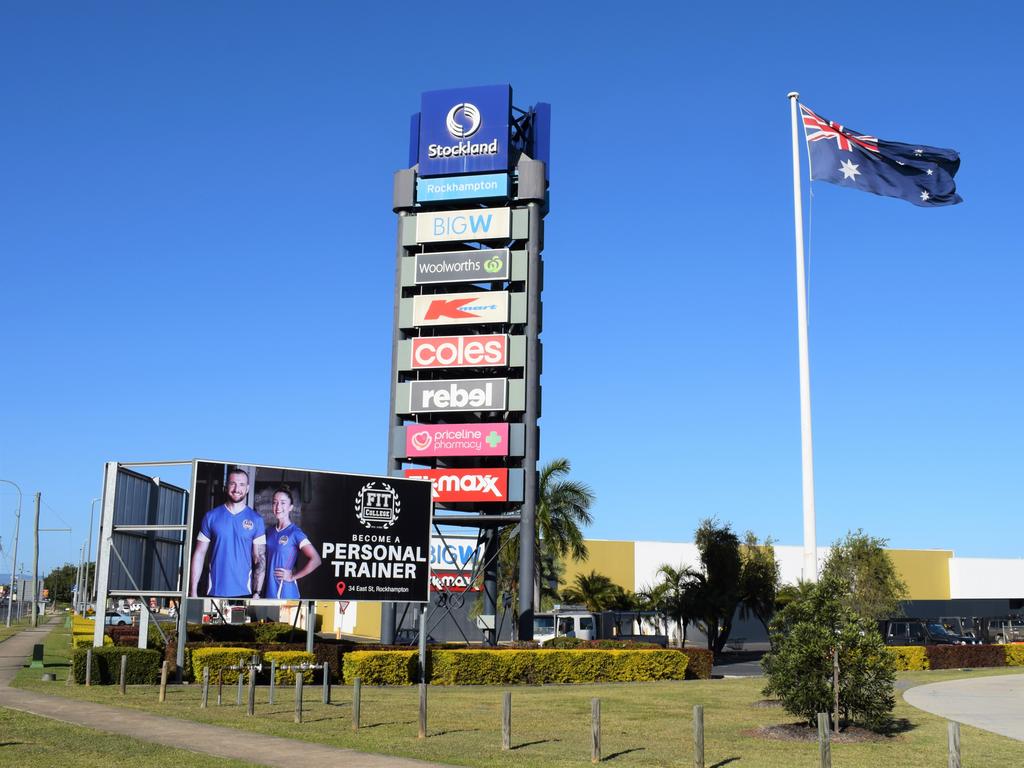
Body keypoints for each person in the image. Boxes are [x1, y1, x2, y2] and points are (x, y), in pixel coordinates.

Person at [189, 467, 266, 598]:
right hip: (214, 591)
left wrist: (257, 592)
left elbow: (259, 558)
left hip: (244, 592)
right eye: (233, 483)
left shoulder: (256, 520)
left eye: (241, 484)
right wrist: (193, 591)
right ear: (226, 486)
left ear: (247, 488)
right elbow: (200, 554)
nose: (237, 489)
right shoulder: (211, 517)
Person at [264, 485, 322, 599]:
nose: (278, 506)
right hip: (269, 589)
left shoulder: (295, 533)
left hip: (285, 590)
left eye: (283, 502)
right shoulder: (269, 531)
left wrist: (292, 576)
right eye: (275, 502)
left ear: (290, 507)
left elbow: (316, 560)